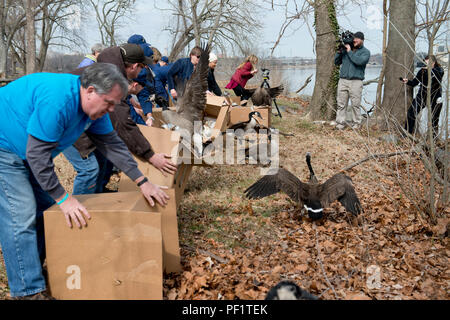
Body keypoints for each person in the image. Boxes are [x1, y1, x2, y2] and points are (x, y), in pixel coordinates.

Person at [0, 63, 170, 299]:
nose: (111, 109)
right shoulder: (58, 101)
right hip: (4, 146)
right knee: (21, 214)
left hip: (28, 150)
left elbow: (112, 145)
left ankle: (32, 269)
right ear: (90, 90)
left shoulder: (95, 111)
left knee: (42, 211)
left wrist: (142, 181)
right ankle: (26, 291)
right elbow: (37, 154)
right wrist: (63, 198)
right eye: (109, 103)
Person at [64, 43, 176, 196]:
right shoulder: (112, 80)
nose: (142, 70)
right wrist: (151, 155)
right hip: (66, 119)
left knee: (104, 158)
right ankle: (79, 209)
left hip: (83, 120)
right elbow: (122, 123)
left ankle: (98, 197)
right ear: (134, 66)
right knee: (89, 169)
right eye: (142, 67)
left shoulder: (112, 73)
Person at [333, 31, 370, 130]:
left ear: (362, 40)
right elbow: (336, 62)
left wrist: (349, 51)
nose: (355, 40)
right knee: (341, 103)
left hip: (356, 82)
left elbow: (359, 61)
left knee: (355, 104)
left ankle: (356, 124)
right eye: (354, 38)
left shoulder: (365, 52)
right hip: (343, 80)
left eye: (358, 38)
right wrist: (339, 51)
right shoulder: (346, 49)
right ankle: (340, 123)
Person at [402, 55, 444, 137]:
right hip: (422, 95)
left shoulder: (439, 70)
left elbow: (438, 75)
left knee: (434, 118)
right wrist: (407, 81)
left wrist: (429, 70)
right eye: (426, 61)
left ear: (433, 62)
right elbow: (415, 82)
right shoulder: (422, 71)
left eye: (428, 62)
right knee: (411, 112)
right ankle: (408, 133)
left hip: (435, 97)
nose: (426, 63)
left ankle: (433, 137)